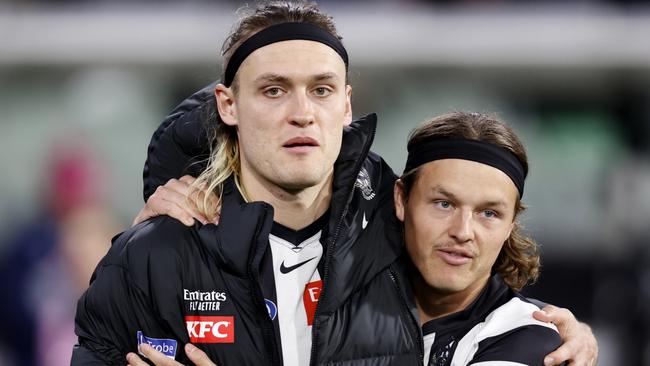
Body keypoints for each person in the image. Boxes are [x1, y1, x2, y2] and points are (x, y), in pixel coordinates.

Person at [74, 1, 597, 366]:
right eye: (274, 90)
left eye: (321, 90)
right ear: (228, 105)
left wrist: (548, 326)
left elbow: (484, 309)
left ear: (346, 105)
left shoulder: (396, 233)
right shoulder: (154, 255)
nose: (303, 113)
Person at [394, 112, 562, 365]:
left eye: (488, 213)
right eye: (444, 204)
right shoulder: (339, 301)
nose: (462, 232)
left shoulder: (527, 335)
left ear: (510, 226)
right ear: (402, 200)